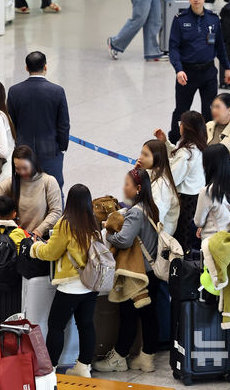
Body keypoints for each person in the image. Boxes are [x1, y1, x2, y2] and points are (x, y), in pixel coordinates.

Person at [29, 184, 102, 378]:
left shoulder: (65, 223)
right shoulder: (93, 222)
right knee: (86, 325)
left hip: (71, 286)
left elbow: (51, 252)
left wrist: (34, 248)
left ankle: (50, 369)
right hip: (91, 284)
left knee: (56, 326)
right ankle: (84, 367)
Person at [95, 169, 160, 375]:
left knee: (128, 315)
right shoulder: (150, 208)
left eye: (127, 184)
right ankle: (147, 357)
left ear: (138, 188)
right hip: (151, 273)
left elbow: (124, 240)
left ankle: (119, 357)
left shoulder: (136, 212)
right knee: (148, 316)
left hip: (137, 274)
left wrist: (107, 231)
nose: (124, 188)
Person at [168, 0, 230, 142]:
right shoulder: (180, 20)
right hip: (187, 74)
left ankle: (208, 142)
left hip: (208, 73)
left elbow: (219, 45)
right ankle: (174, 141)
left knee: (210, 111)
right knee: (182, 110)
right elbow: (173, 48)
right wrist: (178, 69)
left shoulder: (213, 19)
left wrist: (226, 67)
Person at [7, 51, 70, 186]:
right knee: (54, 192)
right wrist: (62, 147)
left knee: (23, 191)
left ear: (26, 68)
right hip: (51, 151)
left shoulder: (14, 91)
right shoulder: (57, 91)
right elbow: (63, 124)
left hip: (23, 152)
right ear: (45, 67)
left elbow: (11, 122)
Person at [0, 145, 62, 237]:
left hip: (40, 238)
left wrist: (39, 231)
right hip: (16, 237)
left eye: (25, 168)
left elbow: (56, 212)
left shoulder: (48, 181)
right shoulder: (12, 182)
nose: (22, 172)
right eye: (18, 169)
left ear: (33, 163)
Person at [154, 111, 207, 254]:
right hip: (195, 198)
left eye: (181, 124)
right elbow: (176, 155)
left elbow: (173, 177)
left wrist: (155, 167)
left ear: (186, 127)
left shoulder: (187, 153)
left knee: (181, 241)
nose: (179, 126)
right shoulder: (197, 146)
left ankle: (180, 271)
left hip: (185, 201)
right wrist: (165, 142)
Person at [194, 144, 230, 243]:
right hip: (228, 242)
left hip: (212, 244)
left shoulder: (207, 191)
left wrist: (202, 226)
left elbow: (198, 221)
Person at [136, 139, 180, 236]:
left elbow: (156, 217)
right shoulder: (151, 173)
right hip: (149, 223)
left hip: (158, 235)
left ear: (157, 158)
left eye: (146, 155)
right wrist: (136, 174)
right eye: (141, 153)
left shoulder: (161, 185)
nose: (140, 158)